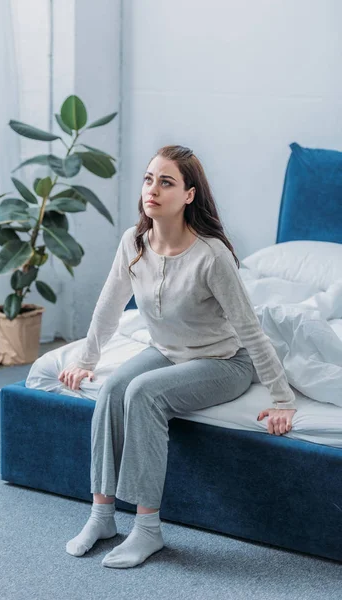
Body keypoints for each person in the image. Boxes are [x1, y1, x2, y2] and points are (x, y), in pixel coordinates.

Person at [59, 144, 297, 569]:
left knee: (144, 394)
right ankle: (101, 516)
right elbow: (109, 306)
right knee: (114, 388)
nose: (152, 189)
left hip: (225, 362)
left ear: (189, 195)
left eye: (166, 182)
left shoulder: (212, 256)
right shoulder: (134, 242)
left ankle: (148, 529)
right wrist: (86, 360)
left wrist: (282, 399)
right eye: (149, 179)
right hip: (167, 352)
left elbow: (249, 329)